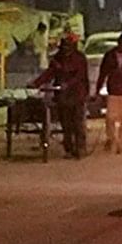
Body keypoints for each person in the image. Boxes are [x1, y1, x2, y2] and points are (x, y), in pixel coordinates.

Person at [46, 32, 93, 160]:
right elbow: (49, 73)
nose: (65, 50)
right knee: (66, 124)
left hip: (77, 95)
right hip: (62, 96)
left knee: (78, 123)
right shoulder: (57, 58)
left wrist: (68, 84)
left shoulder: (79, 58)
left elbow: (80, 76)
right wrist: (35, 83)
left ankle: (80, 148)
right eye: (64, 47)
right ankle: (69, 148)